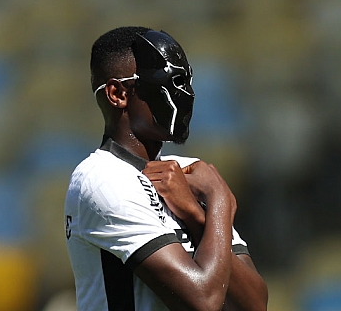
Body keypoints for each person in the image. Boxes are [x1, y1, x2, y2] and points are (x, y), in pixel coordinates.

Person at [64, 26, 268, 311]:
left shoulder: (190, 174)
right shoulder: (101, 179)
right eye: (171, 81)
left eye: (186, 80)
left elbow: (255, 304)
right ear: (117, 93)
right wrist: (220, 201)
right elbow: (204, 300)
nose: (185, 93)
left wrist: (197, 216)